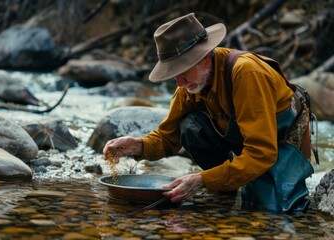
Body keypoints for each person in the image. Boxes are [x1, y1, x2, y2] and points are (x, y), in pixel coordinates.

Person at [103, 13, 315, 213]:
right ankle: (227, 187)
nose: (179, 83)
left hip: (280, 142)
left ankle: (234, 180)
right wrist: (137, 145)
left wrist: (203, 180)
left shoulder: (247, 73)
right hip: (247, 139)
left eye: (183, 72)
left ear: (204, 58)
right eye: (174, 75)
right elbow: (168, 138)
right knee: (189, 125)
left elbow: (262, 153)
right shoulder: (189, 85)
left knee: (272, 211)